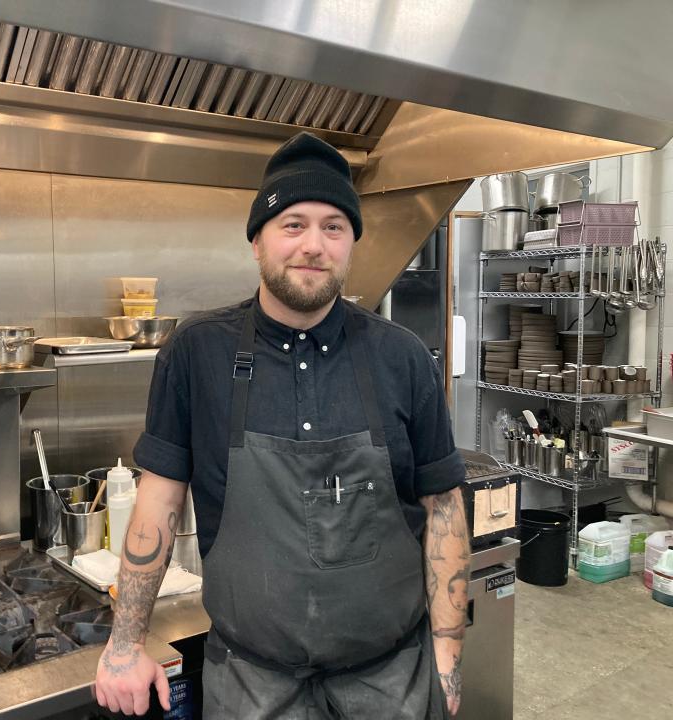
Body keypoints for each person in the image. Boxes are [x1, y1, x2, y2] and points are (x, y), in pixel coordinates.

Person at [94, 132, 470, 719]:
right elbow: (158, 501)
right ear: (258, 242)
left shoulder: (401, 356)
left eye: (334, 227)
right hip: (251, 687)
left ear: (350, 244)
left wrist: (447, 655)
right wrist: (123, 645)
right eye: (293, 224)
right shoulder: (197, 352)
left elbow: (443, 506)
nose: (313, 245)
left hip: (390, 682)